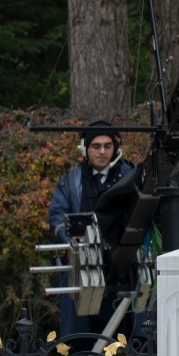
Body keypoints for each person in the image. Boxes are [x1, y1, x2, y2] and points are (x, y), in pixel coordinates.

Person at [47, 121, 137, 340]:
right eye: (96, 146)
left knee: (125, 336)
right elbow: (57, 215)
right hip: (82, 268)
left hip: (123, 269)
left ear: (116, 148)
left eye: (107, 146)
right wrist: (69, 235)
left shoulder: (133, 176)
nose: (102, 151)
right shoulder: (69, 182)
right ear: (85, 149)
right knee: (80, 337)